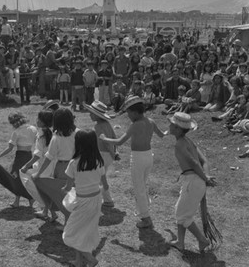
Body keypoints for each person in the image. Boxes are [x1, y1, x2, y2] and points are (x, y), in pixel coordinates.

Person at [100, 96, 167, 228]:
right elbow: (162, 134)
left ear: (135, 112)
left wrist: (104, 139)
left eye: (129, 113)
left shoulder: (136, 125)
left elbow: (120, 141)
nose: (128, 116)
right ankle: (145, 208)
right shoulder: (151, 121)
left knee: (139, 188)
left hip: (138, 158)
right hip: (149, 156)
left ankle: (146, 217)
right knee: (142, 185)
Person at [168, 112, 216, 252]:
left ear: (177, 128)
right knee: (181, 210)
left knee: (182, 215)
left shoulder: (180, 144)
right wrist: (205, 175)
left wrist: (205, 178)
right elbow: (204, 161)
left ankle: (202, 240)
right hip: (194, 181)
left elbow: (194, 162)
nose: (169, 126)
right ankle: (180, 242)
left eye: (172, 124)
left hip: (193, 181)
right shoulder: (189, 141)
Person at [62, 130, 109, 267]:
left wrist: (65, 190)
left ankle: (90, 259)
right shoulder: (98, 161)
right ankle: (78, 261)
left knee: (70, 234)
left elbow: (68, 186)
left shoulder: (74, 163)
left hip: (82, 202)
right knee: (83, 231)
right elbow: (105, 185)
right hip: (96, 200)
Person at [32, 108, 77, 229]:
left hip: (62, 168)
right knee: (75, 194)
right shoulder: (78, 132)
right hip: (77, 166)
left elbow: (49, 157)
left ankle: (68, 223)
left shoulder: (56, 136)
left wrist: (39, 174)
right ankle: (75, 221)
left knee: (64, 196)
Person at [0, 112, 37, 208]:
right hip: (29, 156)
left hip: (20, 157)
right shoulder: (33, 129)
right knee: (27, 178)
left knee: (15, 177)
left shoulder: (17, 132)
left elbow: (10, 148)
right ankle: (30, 199)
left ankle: (18, 200)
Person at [20, 110, 56, 219]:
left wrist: (26, 165)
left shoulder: (42, 134)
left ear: (43, 122)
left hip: (43, 165)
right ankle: (49, 212)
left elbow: (37, 155)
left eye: (39, 119)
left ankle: (48, 209)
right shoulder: (52, 132)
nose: (36, 121)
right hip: (51, 165)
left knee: (40, 188)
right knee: (45, 189)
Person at [84, 100, 116, 207]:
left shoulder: (98, 127)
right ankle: (104, 199)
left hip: (102, 154)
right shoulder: (107, 124)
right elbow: (114, 137)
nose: (89, 114)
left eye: (91, 113)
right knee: (101, 177)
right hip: (107, 155)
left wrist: (113, 152)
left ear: (97, 116)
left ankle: (107, 200)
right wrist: (114, 152)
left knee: (100, 178)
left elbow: (106, 141)